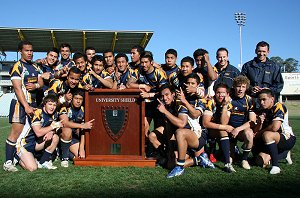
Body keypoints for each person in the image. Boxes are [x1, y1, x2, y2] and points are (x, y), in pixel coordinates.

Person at [4, 41, 44, 172]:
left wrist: (36, 86)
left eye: (31, 50)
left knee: (30, 132)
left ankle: (22, 155)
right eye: (27, 50)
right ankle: (8, 162)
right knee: (16, 132)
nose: (30, 53)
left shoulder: (35, 67)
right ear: (20, 51)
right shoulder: (17, 66)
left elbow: (41, 82)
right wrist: (26, 106)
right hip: (19, 104)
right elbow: (17, 88)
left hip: (34, 104)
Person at [166, 73, 214, 178]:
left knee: (180, 132)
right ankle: (198, 160)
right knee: (170, 164)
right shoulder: (181, 98)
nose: (189, 86)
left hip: (197, 135)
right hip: (185, 135)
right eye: (188, 83)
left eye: (193, 84)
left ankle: (180, 168)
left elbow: (195, 114)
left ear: (197, 86)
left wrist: (184, 101)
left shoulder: (200, 99)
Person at [253, 89, 296, 174]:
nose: (261, 102)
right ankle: (283, 154)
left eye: (264, 99)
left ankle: (276, 166)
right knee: (259, 162)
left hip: (287, 138)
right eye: (260, 100)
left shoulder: (279, 106)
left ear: (272, 99)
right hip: (271, 140)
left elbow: (274, 127)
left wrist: (259, 133)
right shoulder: (261, 110)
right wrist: (259, 123)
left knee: (267, 134)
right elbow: (256, 131)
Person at [16, 94, 63, 171]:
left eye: (54, 105)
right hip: (25, 143)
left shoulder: (54, 114)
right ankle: (18, 158)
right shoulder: (37, 112)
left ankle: (43, 162)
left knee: (55, 137)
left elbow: (54, 128)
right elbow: (38, 132)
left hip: (36, 143)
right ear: (44, 104)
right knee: (32, 168)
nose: (52, 107)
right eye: (50, 104)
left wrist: (51, 132)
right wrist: (52, 127)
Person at [202, 83, 235, 173]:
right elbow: (205, 123)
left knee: (223, 131)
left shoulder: (229, 103)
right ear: (214, 93)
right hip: (204, 130)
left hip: (217, 129)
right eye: (218, 92)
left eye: (223, 93)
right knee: (223, 130)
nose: (220, 95)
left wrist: (224, 106)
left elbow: (224, 122)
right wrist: (224, 127)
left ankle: (227, 163)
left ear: (227, 94)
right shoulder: (211, 101)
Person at [59, 89, 94, 167]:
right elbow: (64, 123)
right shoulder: (65, 107)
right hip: (66, 136)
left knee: (82, 155)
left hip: (77, 137)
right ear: (72, 99)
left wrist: (81, 148)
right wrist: (82, 125)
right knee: (67, 130)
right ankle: (64, 158)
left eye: (80, 99)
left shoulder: (84, 110)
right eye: (76, 98)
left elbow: (84, 129)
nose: (78, 101)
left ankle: (61, 151)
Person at [228, 75, 256, 169]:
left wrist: (238, 129)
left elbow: (252, 121)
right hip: (229, 130)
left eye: (243, 87)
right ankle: (231, 152)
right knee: (230, 159)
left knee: (249, 133)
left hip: (241, 130)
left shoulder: (249, 100)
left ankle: (244, 159)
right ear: (234, 86)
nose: (240, 89)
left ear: (246, 88)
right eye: (238, 86)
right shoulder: (229, 97)